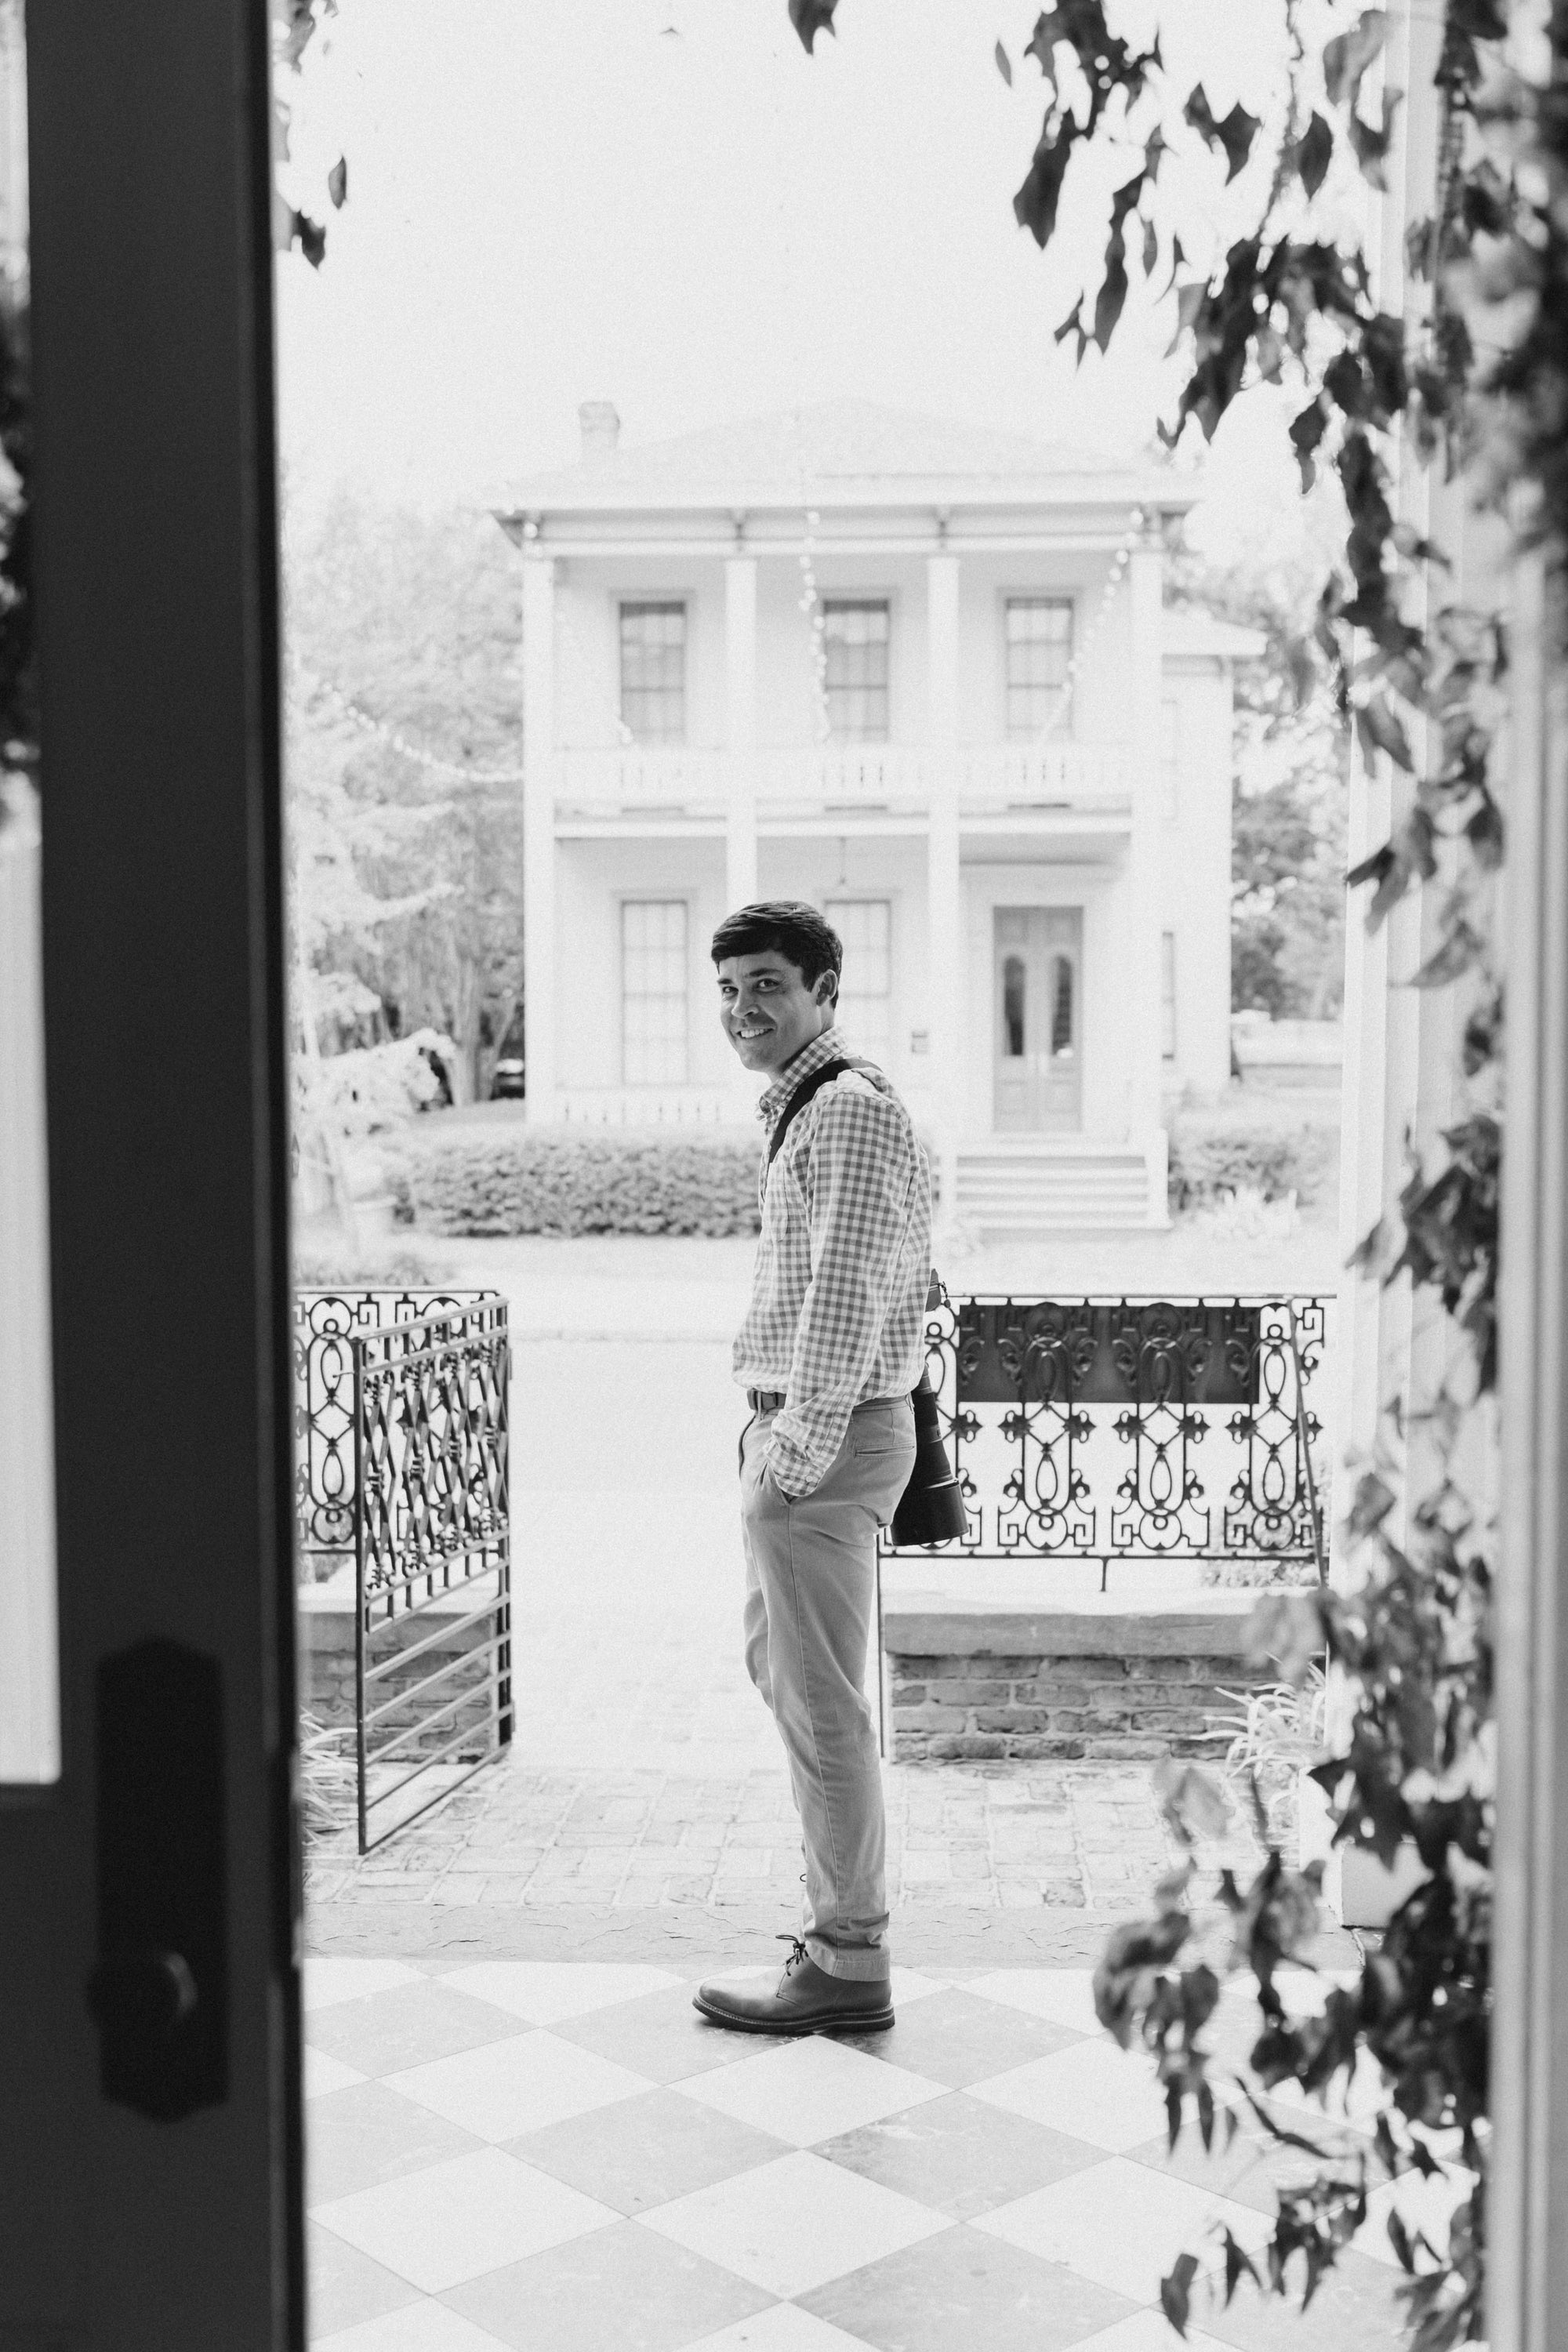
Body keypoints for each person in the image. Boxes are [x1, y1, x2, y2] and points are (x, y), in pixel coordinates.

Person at [695, 900, 931, 2034]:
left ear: (827, 990)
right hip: (809, 1437)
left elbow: (845, 1301)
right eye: (732, 987)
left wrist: (785, 1458)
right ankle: (840, 1934)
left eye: (770, 985)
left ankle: (849, 1959)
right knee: (793, 1687)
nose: (746, 1008)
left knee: (825, 1709)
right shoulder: (816, 1106)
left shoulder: (843, 1110)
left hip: (820, 1442)